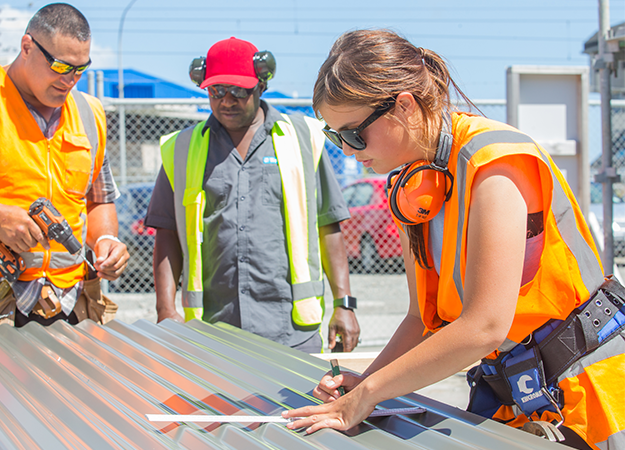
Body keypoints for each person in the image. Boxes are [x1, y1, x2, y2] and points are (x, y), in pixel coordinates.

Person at [283, 29, 625, 449]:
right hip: (526, 395)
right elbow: (421, 321)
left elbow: (484, 327)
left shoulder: (495, 164)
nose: (348, 151)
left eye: (353, 134)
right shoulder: (414, 186)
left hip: (594, 395)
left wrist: (368, 396)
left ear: (403, 106)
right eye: (334, 138)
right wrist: (363, 387)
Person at [146, 37, 360, 353]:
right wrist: (166, 309)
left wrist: (344, 303)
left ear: (261, 85)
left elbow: (328, 223)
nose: (226, 101)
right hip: (212, 332)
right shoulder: (181, 149)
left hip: (291, 332)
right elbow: (167, 233)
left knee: (301, 405)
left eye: (238, 91)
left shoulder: (301, 138)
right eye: (216, 91)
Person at [0, 3, 129, 329]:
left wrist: (106, 239)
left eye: (80, 69)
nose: (70, 80)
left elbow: (98, 199)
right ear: (27, 47)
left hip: (69, 305)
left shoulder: (89, 114)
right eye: (60, 66)